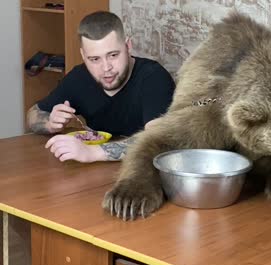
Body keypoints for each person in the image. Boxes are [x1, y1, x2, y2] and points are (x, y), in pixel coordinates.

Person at [26, 11, 175, 163]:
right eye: (95, 59)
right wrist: (50, 123)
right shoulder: (78, 77)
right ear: (83, 56)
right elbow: (33, 114)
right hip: (94, 173)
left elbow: (157, 138)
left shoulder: (154, 77)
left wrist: (92, 153)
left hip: (144, 171)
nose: (106, 68)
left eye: (113, 55)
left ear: (128, 46)